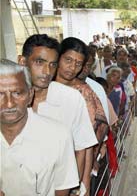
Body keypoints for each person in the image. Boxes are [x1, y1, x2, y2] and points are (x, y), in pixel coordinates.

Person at [17, 34, 98, 194]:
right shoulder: (9, 101)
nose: (47, 71)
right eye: (39, 62)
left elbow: (81, 148)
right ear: (22, 61)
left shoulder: (72, 99)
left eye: (52, 64)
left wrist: (80, 186)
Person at [0, 59, 79, 195]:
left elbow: (62, 188)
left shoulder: (58, 135)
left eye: (17, 93)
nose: (9, 104)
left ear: (30, 95)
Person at [55, 37, 108, 195]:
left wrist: (84, 183)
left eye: (78, 63)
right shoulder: (42, 87)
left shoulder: (83, 91)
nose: (72, 68)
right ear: (58, 57)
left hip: (73, 165)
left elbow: (87, 142)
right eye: (68, 60)